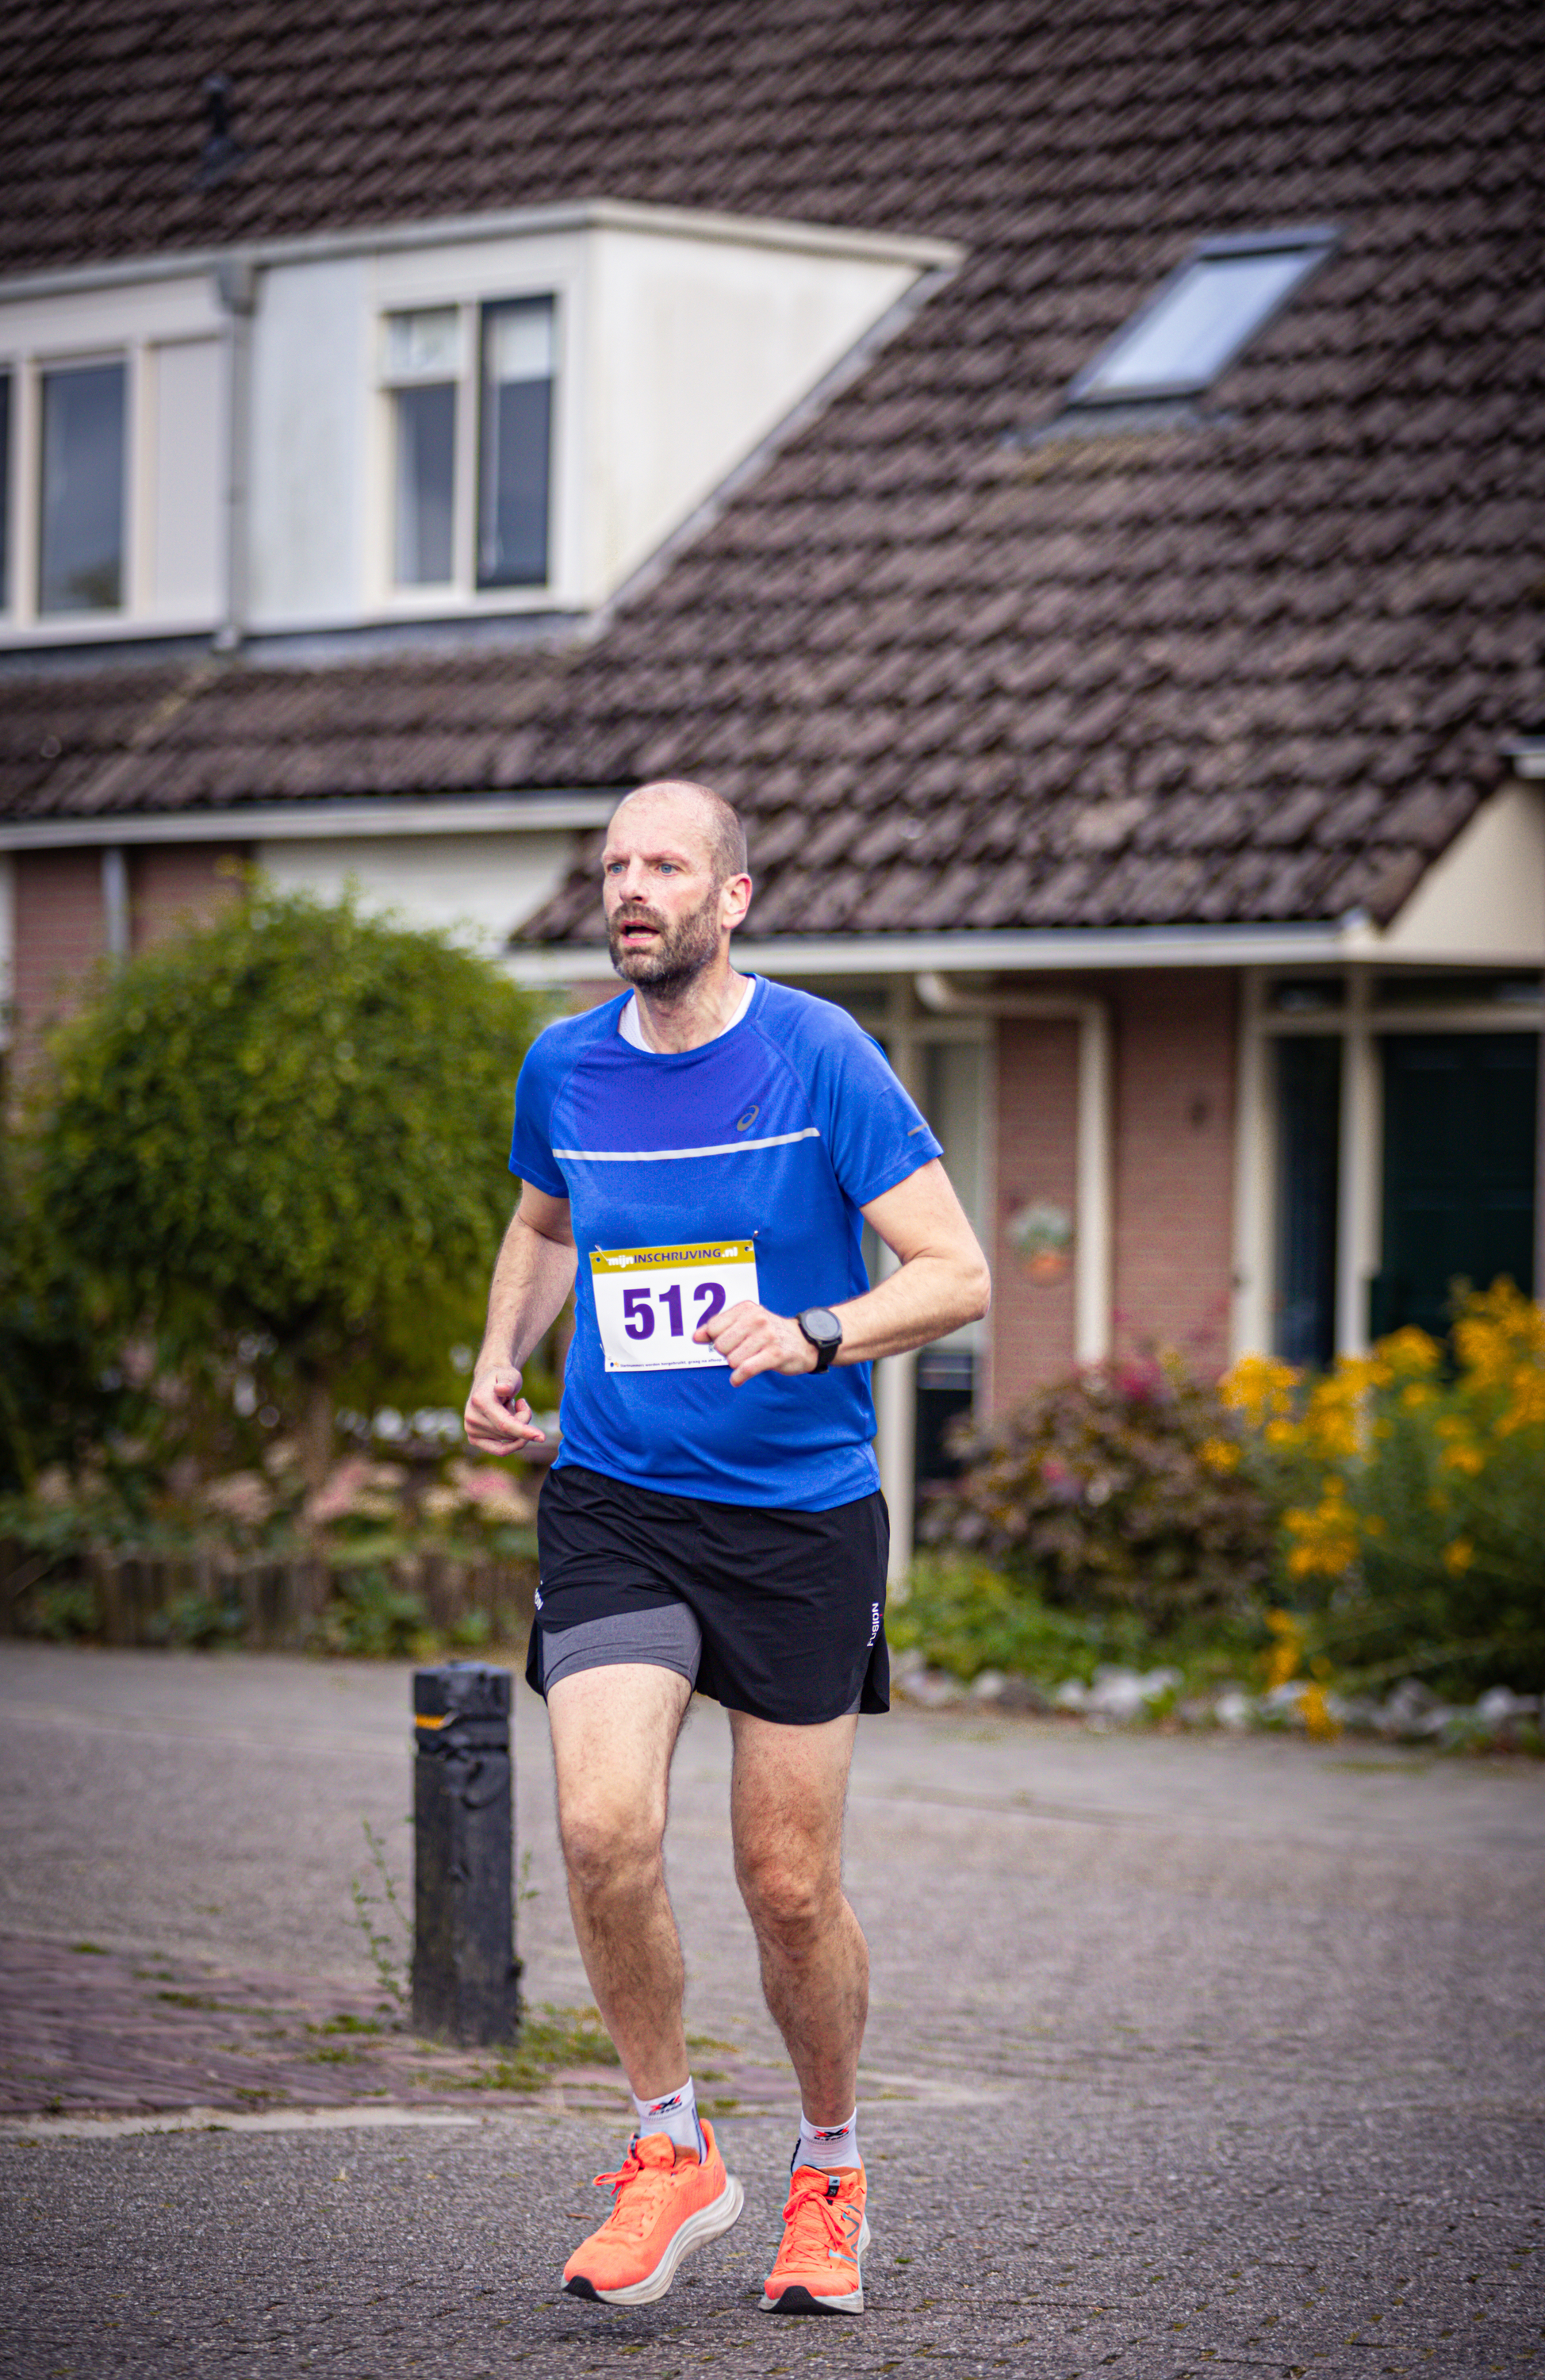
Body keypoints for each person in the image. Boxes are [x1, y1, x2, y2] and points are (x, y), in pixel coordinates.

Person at [465, 778, 989, 2317]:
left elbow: (953, 1274)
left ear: (731, 897)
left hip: (797, 1522)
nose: (631, 888)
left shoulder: (820, 1055)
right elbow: (546, 1224)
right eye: (614, 865)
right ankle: (669, 2147)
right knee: (601, 1829)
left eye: (664, 865)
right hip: (617, 1503)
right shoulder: (562, 1062)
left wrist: (818, 1329)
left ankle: (826, 2166)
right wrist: (499, 1354)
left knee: (783, 1885)